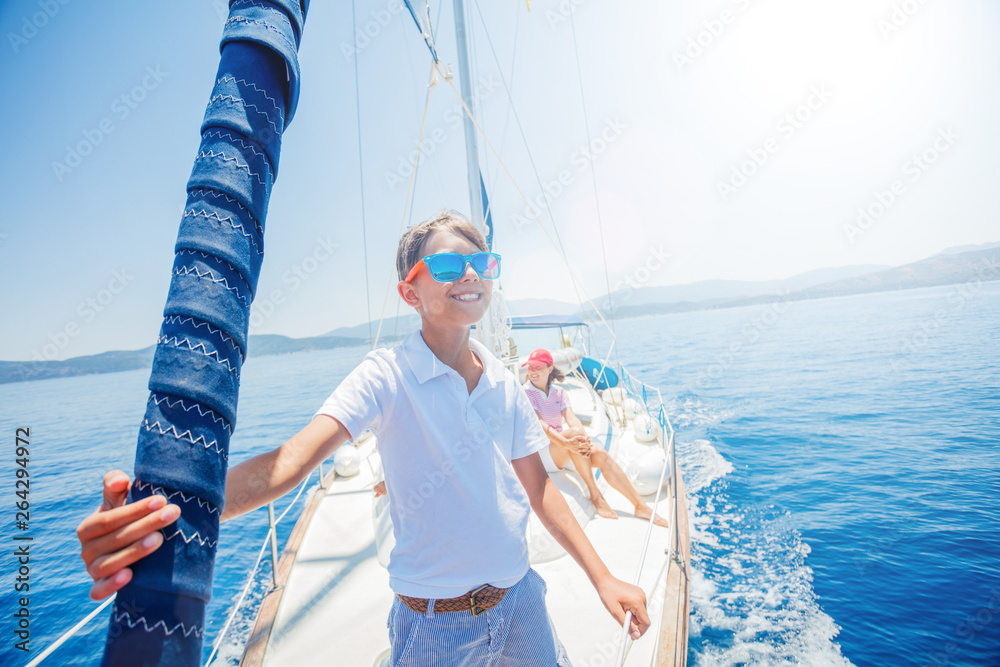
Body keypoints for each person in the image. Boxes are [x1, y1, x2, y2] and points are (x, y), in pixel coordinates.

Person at [76, 210, 650, 665]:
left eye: (483, 262)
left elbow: (541, 491)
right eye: (449, 268)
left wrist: (602, 577)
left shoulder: (503, 381)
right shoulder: (386, 374)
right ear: (411, 294)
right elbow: (293, 462)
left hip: (521, 598)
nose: (470, 274)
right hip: (433, 625)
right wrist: (164, 513)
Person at [522, 349, 669, 528]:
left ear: (549, 368)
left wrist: (583, 439)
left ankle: (640, 506)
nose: (532, 372)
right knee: (573, 435)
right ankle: (595, 495)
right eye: (530, 368)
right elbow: (541, 426)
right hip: (542, 453)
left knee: (599, 453)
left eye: (537, 367)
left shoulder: (559, 392)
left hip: (562, 449)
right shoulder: (526, 393)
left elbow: (572, 419)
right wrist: (569, 441)